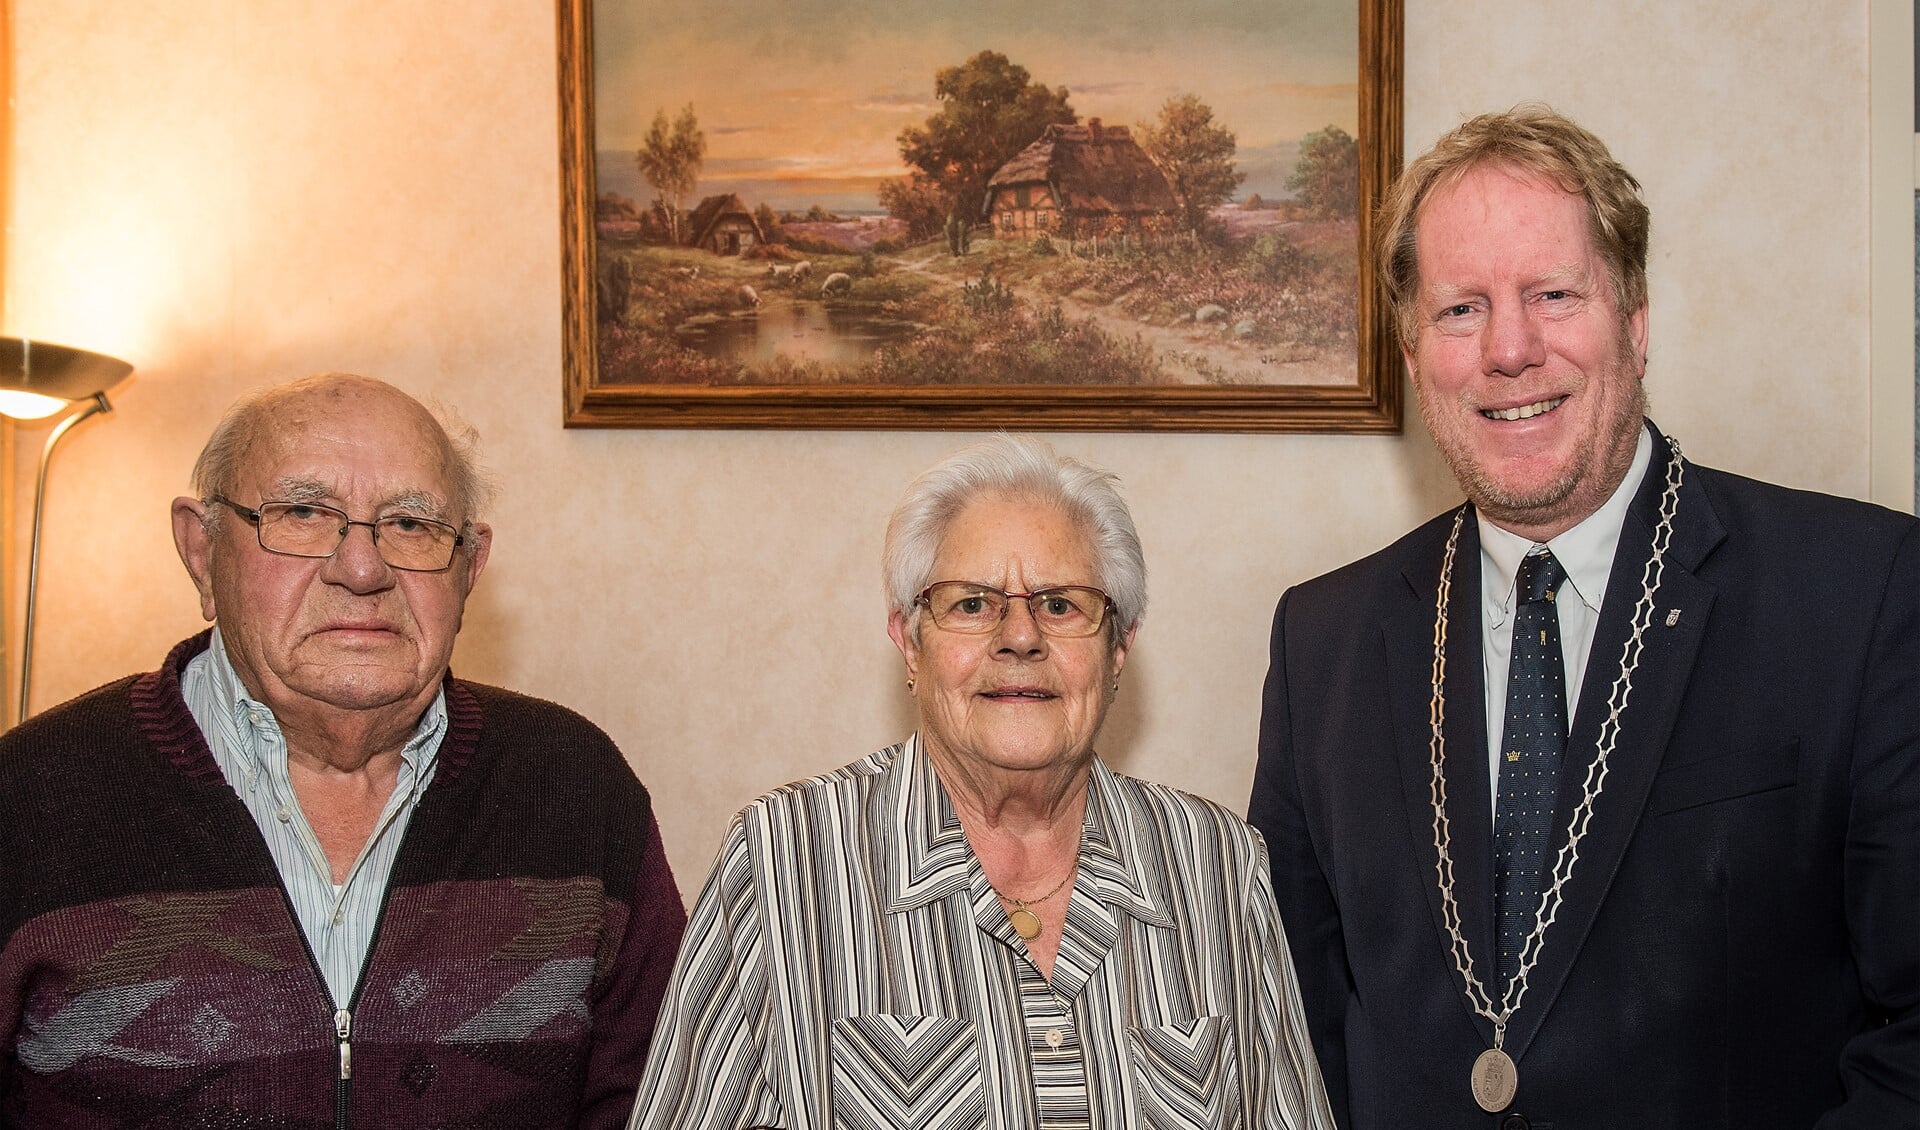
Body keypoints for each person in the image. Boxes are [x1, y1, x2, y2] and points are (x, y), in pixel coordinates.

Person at [1248, 105, 1918, 1128]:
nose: (1509, 349)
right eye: (1461, 309)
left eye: (1553, 294)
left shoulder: (1859, 595)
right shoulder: (1321, 642)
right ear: (1415, 352)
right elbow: (1291, 1033)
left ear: (1635, 322)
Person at [0, 373, 686, 1128]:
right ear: (201, 551)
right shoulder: (29, 798)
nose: (362, 570)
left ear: (469, 568)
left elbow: (664, 1104)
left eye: (411, 525)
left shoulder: (575, 789)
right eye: (302, 513)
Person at [630, 435, 1333, 1128]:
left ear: (1119, 649)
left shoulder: (1219, 864)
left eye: (1060, 604)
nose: (1020, 637)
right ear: (910, 642)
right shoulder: (781, 861)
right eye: (972, 604)